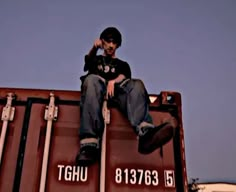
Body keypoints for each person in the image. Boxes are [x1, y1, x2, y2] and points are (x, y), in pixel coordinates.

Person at [76, 27, 177, 166]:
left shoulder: (122, 64)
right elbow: (87, 63)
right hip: (96, 89)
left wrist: (113, 81)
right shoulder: (96, 59)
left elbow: (124, 77)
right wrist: (94, 47)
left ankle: (146, 134)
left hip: (117, 91)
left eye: (114, 42)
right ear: (102, 42)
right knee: (91, 80)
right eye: (108, 41)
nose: (111, 45)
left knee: (137, 84)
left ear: (118, 45)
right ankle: (89, 146)